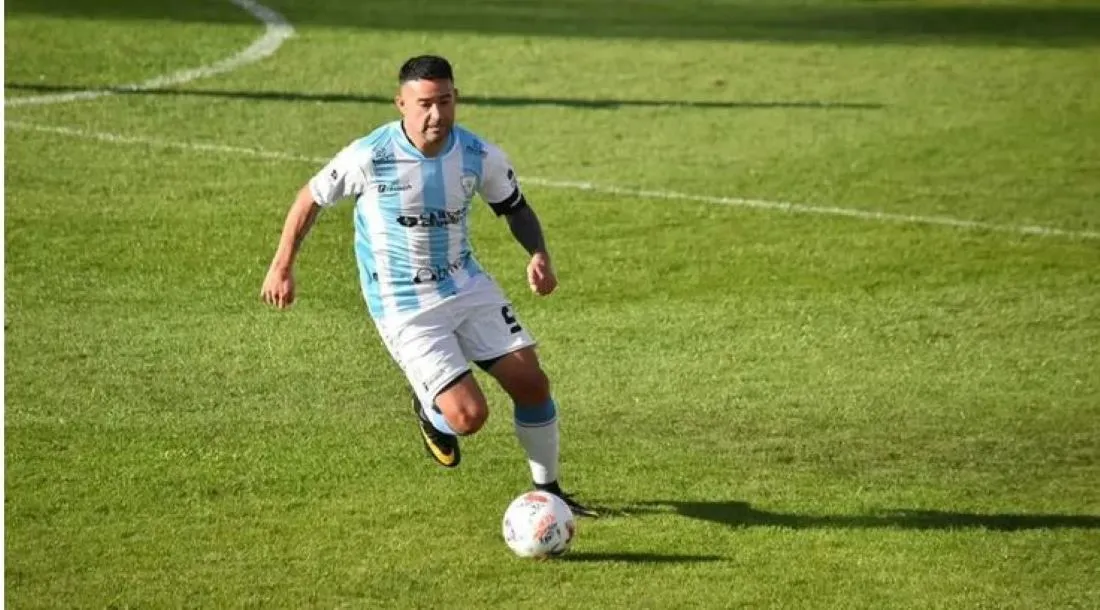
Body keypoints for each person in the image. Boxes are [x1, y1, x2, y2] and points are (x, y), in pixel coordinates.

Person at [260, 55, 595, 517]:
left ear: (456, 98)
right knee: (468, 417)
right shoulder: (370, 155)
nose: (436, 114)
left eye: (444, 101)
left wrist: (538, 254)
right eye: (424, 104)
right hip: (403, 302)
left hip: (465, 283)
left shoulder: (478, 155)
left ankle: (551, 493)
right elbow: (310, 198)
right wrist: (282, 265)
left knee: (532, 382)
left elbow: (515, 207)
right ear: (401, 104)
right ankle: (429, 407)